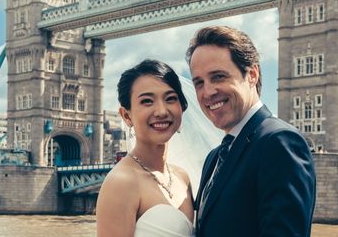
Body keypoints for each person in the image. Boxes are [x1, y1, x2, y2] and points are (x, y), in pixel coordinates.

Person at [187, 25, 316, 237]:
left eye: (218, 77)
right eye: (199, 82)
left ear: (252, 74)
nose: (208, 92)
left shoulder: (279, 143)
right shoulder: (214, 158)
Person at [96, 59, 195, 237]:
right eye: (147, 101)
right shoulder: (121, 182)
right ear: (126, 116)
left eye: (171, 98)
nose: (161, 111)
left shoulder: (183, 178)